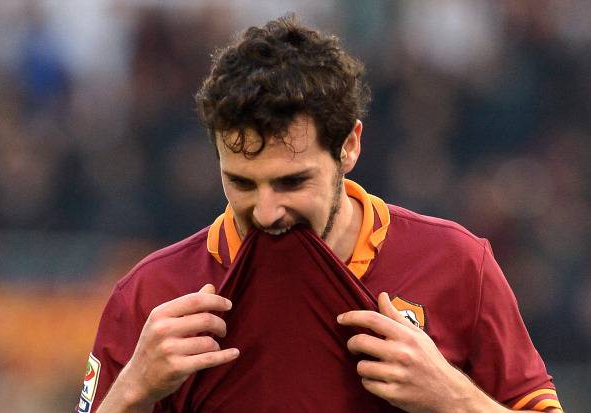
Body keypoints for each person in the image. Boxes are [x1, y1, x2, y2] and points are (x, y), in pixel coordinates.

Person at [77, 15, 562, 413]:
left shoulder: (456, 265)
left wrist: (453, 398)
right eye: (242, 183)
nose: (267, 212)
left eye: (292, 182)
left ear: (349, 146)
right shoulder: (151, 297)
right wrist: (131, 392)